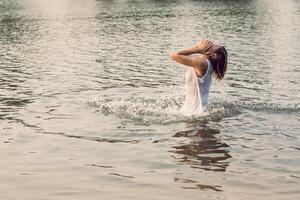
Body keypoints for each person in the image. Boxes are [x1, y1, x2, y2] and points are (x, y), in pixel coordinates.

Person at [170, 39, 228, 116]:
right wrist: (200, 48)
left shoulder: (202, 64)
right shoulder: (205, 62)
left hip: (194, 113)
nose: (209, 46)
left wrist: (196, 48)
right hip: (198, 110)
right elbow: (183, 56)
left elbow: (174, 55)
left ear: (213, 55)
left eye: (212, 47)